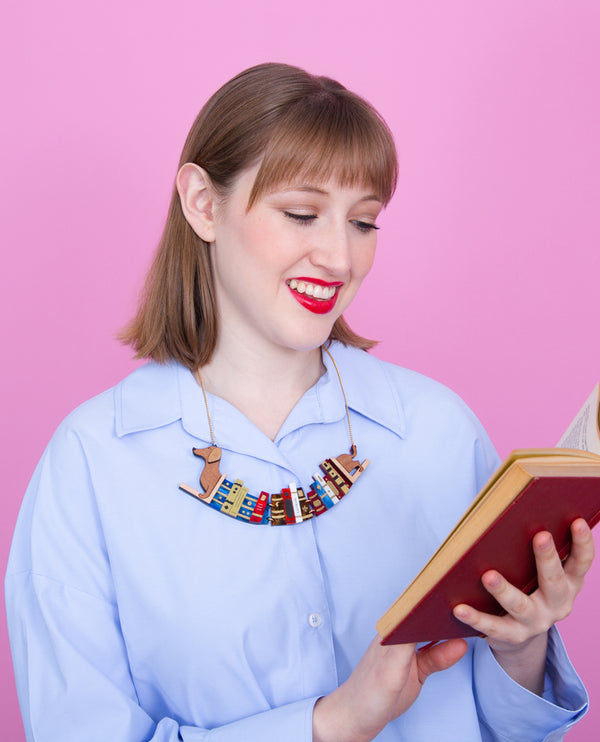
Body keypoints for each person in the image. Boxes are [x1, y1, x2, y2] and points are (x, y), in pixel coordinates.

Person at [5, 62, 593, 742]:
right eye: (302, 214)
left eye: (364, 222)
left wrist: (521, 648)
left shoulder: (436, 430)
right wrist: (328, 724)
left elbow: (497, 727)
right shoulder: (93, 464)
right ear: (203, 203)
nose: (340, 257)